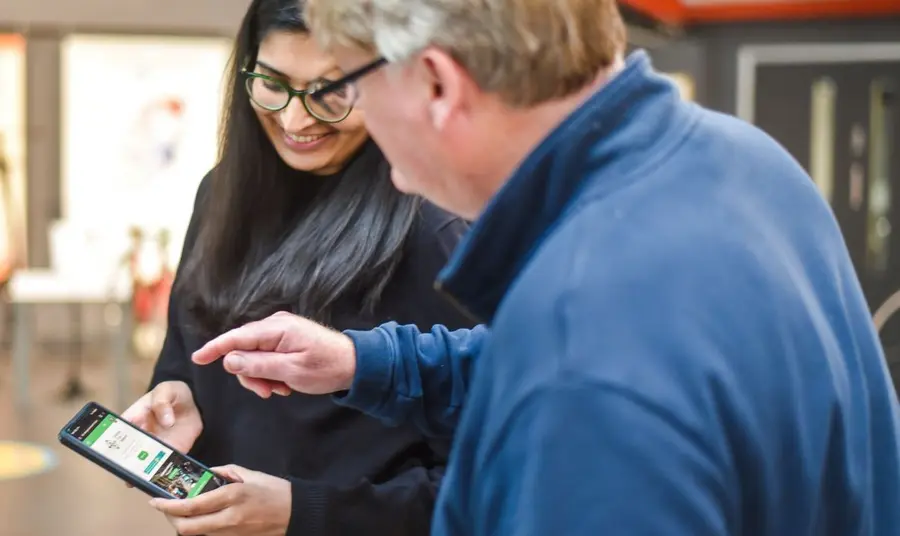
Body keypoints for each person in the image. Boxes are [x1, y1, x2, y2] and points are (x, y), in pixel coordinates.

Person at [188, 0, 900, 535]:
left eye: (352, 89)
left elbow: (580, 365)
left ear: (437, 83)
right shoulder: (744, 160)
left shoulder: (581, 352)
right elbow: (533, 359)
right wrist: (360, 363)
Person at [122, 0, 472, 535]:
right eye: (273, 83)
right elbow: (184, 352)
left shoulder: (431, 229)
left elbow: (478, 482)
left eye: (333, 91)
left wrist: (303, 511)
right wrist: (181, 399)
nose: (295, 119)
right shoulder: (221, 194)